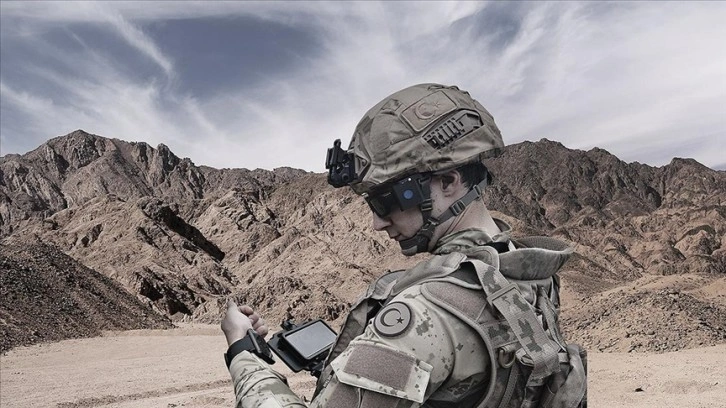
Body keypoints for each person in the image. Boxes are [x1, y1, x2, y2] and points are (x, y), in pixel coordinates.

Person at [221, 83, 587, 407]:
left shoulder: (424, 315)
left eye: (385, 200)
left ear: (448, 182)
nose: (377, 223)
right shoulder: (526, 275)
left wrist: (242, 352)